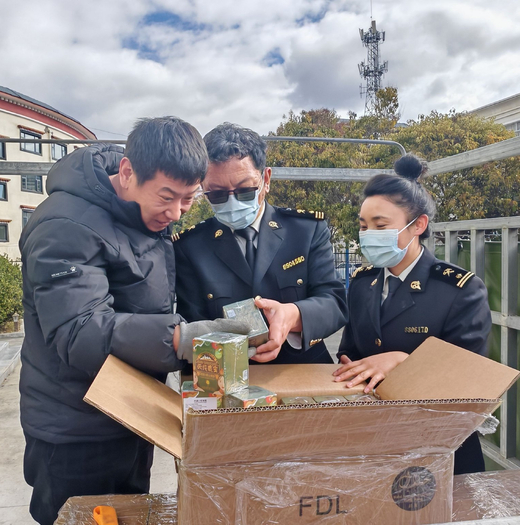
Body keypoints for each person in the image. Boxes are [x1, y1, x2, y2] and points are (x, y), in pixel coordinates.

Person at [19, 117, 248, 525]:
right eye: (167, 197)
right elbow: (79, 331)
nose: (175, 213)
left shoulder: (138, 215)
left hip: (128, 413)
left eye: (188, 199)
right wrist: (181, 339)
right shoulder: (65, 225)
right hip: (75, 431)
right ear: (127, 172)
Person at [334, 154, 492, 475]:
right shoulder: (363, 283)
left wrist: (401, 361)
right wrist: (350, 369)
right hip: (375, 440)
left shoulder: (459, 289)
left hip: (441, 447)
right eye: (363, 226)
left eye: (380, 226)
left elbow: (468, 378)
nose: (368, 234)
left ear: (418, 225)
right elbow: (350, 350)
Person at [174, 123, 348, 364]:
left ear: (265, 179)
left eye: (245, 190)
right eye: (217, 194)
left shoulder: (305, 231)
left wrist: (292, 315)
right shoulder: (190, 247)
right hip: (226, 373)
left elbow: (334, 303)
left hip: (302, 370)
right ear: (203, 188)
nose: (233, 202)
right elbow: (191, 325)